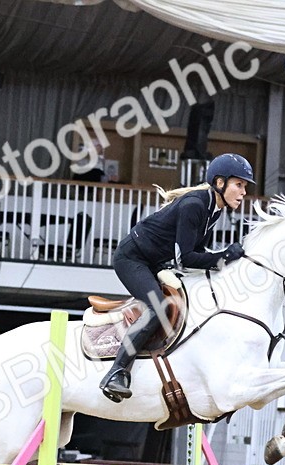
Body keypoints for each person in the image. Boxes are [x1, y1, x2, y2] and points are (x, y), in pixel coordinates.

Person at [99, 153, 255, 402]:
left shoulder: (213, 209)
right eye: (239, 184)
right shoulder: (195, 205)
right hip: (132, 260)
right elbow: (187, 259)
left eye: (245, 186)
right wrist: (225, 256)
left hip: (155, 262)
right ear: (219, 183)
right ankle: (116, 372)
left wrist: (224, 262)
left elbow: (199, 253)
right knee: (157, 307)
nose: (244, 192)